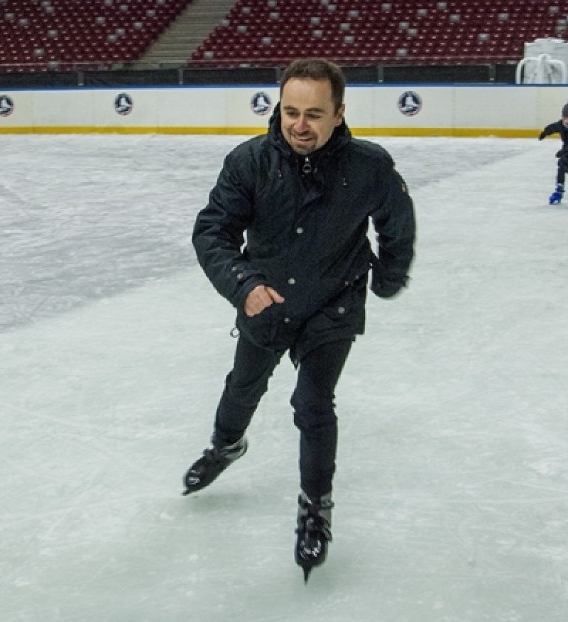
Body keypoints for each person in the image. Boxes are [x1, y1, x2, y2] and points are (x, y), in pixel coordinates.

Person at [183, 59, 416, 582]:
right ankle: (226, 445)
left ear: (338, 113)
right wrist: (242, 285)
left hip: (333, 303)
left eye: (314, 113)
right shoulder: (249, 162)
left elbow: (396, 223)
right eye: (290, 111)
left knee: (312, 405)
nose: (300, 125)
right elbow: (212, 231)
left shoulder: (370, 165)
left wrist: (388, 277)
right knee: (242, 387)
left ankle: (316, 507)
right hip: (267, 300)